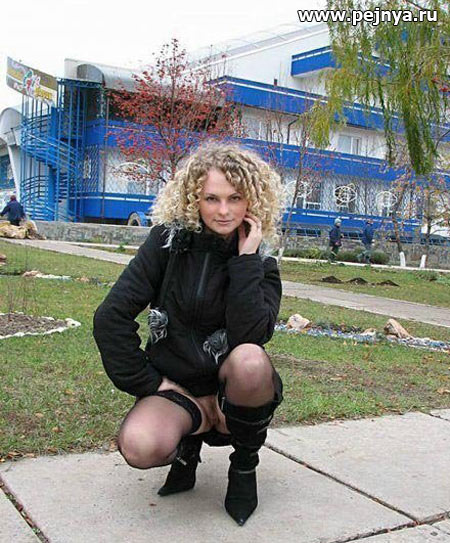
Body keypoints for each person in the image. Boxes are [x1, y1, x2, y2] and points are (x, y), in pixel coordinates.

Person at [93, 143, 284, 526]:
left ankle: (244, 466)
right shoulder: (166, 245)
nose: (224, 210)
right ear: (194, 198)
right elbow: (110, 317)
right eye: (212, 198)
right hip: (178, 392)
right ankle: (186, 450)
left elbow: (252, 335)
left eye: (235, 198)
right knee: (139, 446)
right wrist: (150, 383)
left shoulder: (260, 263)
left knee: (250, 360)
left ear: (252, 200)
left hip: (231, 394)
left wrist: (245, 261)